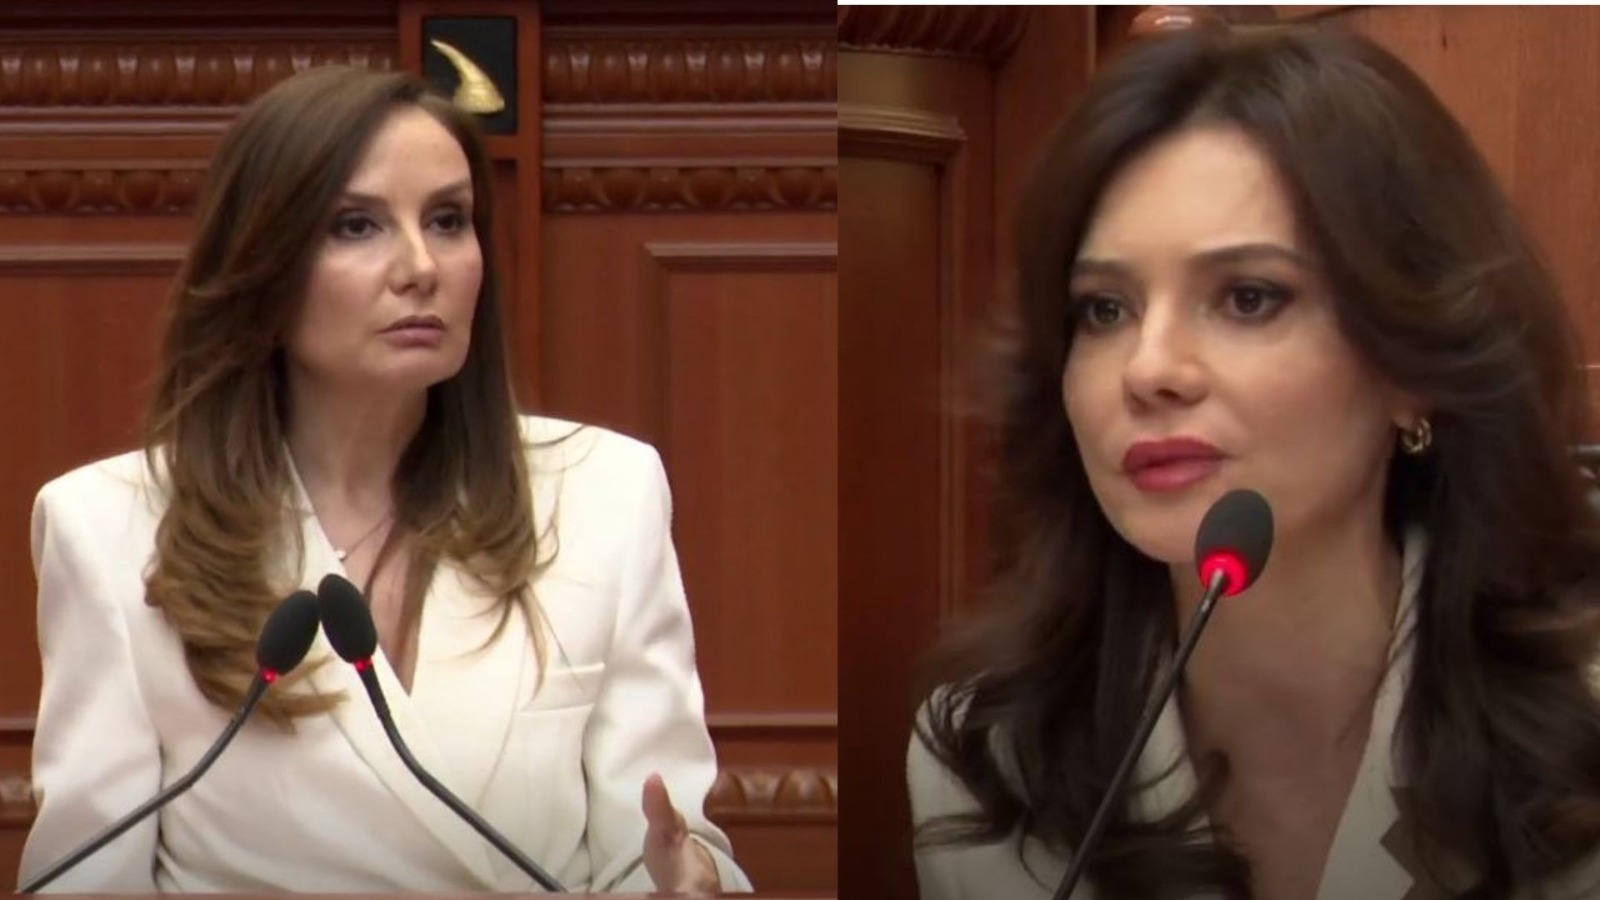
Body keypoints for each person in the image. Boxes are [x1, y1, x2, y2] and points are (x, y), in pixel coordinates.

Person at [908, 24, 1600, 900]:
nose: (1149, 369)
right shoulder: (986, 760)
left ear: (1411, 370)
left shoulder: (1581, 730)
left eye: (1247, 297)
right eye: (1105, 309)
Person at [21, 65, 751, 895]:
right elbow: (86, 878)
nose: (421, 266)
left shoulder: (604, 493)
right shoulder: (107, 529)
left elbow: (662, 846)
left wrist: (694, 878)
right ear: (262, 263)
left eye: (448, 220)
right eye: (356, 226)